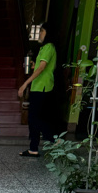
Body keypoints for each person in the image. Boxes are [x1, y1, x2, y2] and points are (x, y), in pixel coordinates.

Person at [18, 24, 57, 156]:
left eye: (42, 31)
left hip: (43, 87)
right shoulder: (44, 48)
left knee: (35, 118)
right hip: (38, 87)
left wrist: (25, 84)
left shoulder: (49, 47)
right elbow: (39, 67)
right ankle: (35, 147)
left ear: (48, 33)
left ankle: (53, 140)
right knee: (35, 118)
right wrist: (33, 66)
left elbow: (41, 68)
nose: (40, 33)